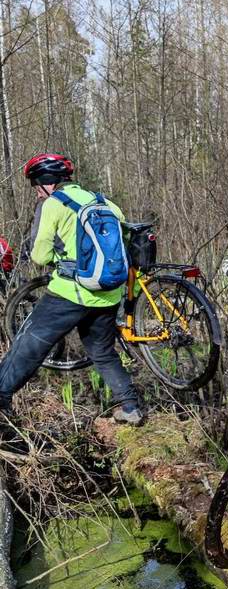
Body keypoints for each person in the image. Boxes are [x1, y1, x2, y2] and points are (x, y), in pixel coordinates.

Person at [0, 153, 144, 432]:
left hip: (70, 292)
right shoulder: (106, 203)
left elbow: (40, 255)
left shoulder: (54, 204)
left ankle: (1, 395)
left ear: (44, 183)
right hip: (107, 293)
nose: (36, 193)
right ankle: (131, 407)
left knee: (29, 341)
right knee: (102, 351)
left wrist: (59, 257)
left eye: (35, 186)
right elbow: (125, 249)